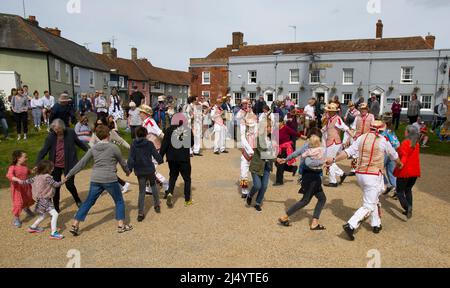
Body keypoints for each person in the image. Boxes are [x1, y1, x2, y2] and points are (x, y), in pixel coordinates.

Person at [328, 121, 403, 241]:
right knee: (368, 205)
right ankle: (351, 225)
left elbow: (348, 152)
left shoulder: (361, 138)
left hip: (360, 174)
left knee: (374, 198)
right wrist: (400, 164)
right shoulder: (383, 140)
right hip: (373, 175)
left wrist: (334, 159)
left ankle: (376, 224)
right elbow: (394, 155)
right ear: (381, 130)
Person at [66, 125, 133, 236]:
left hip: (96, 179)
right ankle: (121, 225)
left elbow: (82, 163)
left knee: (88, 201)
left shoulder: (93, 148)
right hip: (110, 179)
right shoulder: (113, 148)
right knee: (119, 201)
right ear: (108, 135)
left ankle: (75, 224)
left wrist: (69, 174)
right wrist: (127, 171)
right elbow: (122, 162)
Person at [36, 119, 89, 212]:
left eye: (58, 129)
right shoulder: (50, 137)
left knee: (70, 184)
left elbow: (79, 143)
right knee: (56, 186)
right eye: (54, 129)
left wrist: (89, 151)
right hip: (55, 165)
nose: (56, 131)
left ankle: (77, 199)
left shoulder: (70, 132)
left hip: (69, 163)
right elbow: (44, 150)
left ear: (62, 127)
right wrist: (37, 163)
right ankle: (56, 206)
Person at [278, 135, 327, 230]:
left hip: (310, 178)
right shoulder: (314, 151)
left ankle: (315, 222)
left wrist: (286, 159)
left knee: (322, 198)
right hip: (312, 179)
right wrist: (322, 162)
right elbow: (308, 162)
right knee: (305, 201)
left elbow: (295, 153)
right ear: (317, 143)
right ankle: (285, 217)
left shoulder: (306, 148)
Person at [12, 160, 65, 239]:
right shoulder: (47, 177)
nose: (53, 169)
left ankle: (33, 227)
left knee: (43, 215)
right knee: (55, 214)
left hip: (40, 200)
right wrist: (63, 181)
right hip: (45, 200)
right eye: (52, 167)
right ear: (48, 169)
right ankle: (53, 233)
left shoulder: (36, 177)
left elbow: (26, 182)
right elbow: (56, 184)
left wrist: (19, 181)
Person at [128, 127, 164, 221]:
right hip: (149, 169)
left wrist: (129, 169)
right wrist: (160, 160)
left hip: (139, 170)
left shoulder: (133, 144)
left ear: (136, 134)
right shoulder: (149, 143)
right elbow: (155, 154)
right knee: (153, 186)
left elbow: (131, 158)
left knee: (142, 191)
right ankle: (156, 205)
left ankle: (140, 212)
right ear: (146, 134)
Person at [160, 113, 194, 207]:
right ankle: (187, 199)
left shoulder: (168, 130)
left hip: (172, 158)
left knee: (173, 176)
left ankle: (170, 192)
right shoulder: (187, 130)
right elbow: (191, 143)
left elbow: (164, 145)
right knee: (187, 178)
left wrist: (160, 156)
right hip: (184, 158)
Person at [90, 117, 130, 193]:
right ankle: (122, 185)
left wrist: (130, 147)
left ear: (104, 124)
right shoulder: (95, 133)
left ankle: (123, 184)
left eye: (101, 124)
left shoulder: (111, 132)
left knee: (108, 172)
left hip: (111, 155)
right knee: (105, 172)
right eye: (97, 124)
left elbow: (121, 141)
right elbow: (91, 143)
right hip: (100, 156)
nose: (99, 126)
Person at [139, 104, 169, 194]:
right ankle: (150, 188)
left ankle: (166, 183)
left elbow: (160, 133)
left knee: (150, 170)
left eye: (141, 112)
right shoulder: (145, 122)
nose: (139, 114)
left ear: (146, 113)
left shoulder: (150, 122)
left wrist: (169, 142)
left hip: (154, 149)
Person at [246, 124, 275, 212]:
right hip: (257, 165)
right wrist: (276, 159)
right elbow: (263, 153)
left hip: (267, 166)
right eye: (268, 127)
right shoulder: (258, 139)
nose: (270, 129)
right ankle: (250, 195)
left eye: (270, 127)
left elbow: (272, 152)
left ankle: (258, 203)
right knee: (257, 185)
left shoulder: (271, 139)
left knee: (264, 186)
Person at [321, 103, 352, 187]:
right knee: (330, 160)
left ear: (334, 112)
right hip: (330, 142)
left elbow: (345, 128)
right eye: (328, 111)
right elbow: (324, 129)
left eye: (330, 111)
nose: (328, 112)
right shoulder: (329, 119)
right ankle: (341, 174)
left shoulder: (337, 118)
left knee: (329, 160)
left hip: (334, 142)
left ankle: (333, 181)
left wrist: (353, 136)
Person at [394, 125, 421, 219]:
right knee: (408, 189)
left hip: (405, 171)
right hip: (414, 171)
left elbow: (404, 156)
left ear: (408, 133)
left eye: (405, 131)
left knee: (399, 191)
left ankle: (407, 207)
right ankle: (409, 209)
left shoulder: (406, 143)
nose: (404, 132)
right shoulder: (416, 143)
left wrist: (401, 164)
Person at [236, 98, 258, 198]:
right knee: (244, 172)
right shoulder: (241, 116)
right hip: (247, 146)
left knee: (257, 170)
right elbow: (242, 136)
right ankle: (244, 191)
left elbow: (257, 131)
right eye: (245, 104)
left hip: (255, 145)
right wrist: (249, 149)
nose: (247, 106)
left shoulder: (253, 116)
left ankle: (258, 187)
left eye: (249, 104)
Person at [6, 150, 35, 228]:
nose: (27, 158)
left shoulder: (24, 166)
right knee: (18, 203)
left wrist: (34, 170)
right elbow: (9, 175)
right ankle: (16, 218)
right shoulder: (13, 167)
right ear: (18, 158)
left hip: (26, 187)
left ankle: (27, 209)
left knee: (27, 199)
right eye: (25, 157)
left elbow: (28, 172)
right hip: (17, 189)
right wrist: (18, 180)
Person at [274, 119, 300, 186]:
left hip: (285, 148)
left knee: (280, 164)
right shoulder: (276, 129)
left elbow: (294, 133)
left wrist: (303, 136)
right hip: (279, 148)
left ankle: (279, 181)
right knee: (277, 163)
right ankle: (292, 168)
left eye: (278, 122)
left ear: (282, 122)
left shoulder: (286, 128)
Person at [381, 121, 400, 197]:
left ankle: (387, 184)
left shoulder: (383, 132)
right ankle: (396, 189)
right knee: (391, 173)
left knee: (378, 170)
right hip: (392, 153)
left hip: (384, 153)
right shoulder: (391, 131)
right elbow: (397, 144)